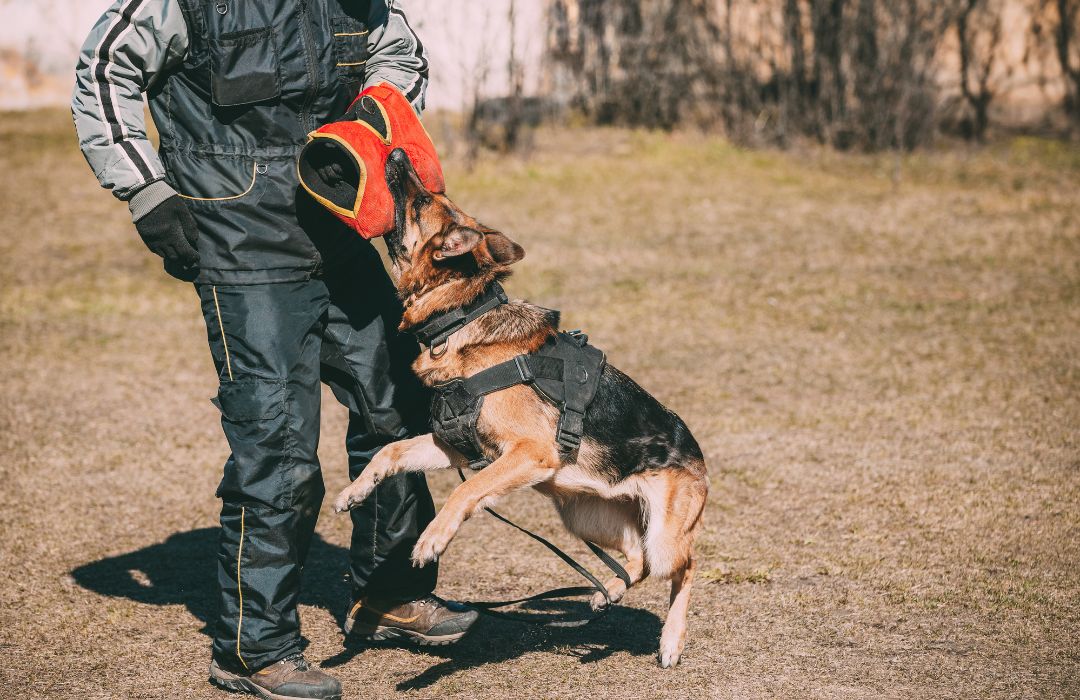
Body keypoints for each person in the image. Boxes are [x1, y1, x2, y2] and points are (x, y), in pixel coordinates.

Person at [72, 2, 477, 698]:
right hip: (240, 242)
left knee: (400, 406)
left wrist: (374, 128)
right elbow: (105, 69)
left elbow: (399, 56)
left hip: (343, 229)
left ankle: (388, 593)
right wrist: (146, 191)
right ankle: (253, 647)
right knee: (280, 445)